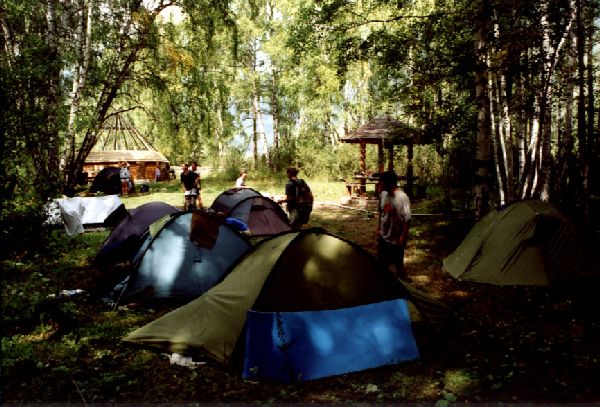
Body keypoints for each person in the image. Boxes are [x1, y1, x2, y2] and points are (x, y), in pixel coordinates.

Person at [377, 170, 411, 279]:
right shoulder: (383, 195)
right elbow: (381, 213)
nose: (379, 184)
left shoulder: (402, 197)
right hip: (383, 237)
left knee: (398, 266)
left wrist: (403, 236)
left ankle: (403, 286)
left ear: (388, 183)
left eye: (381, 182)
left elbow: (407, 219)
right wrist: (378, 229)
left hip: (396, 240)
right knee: (382, 264)